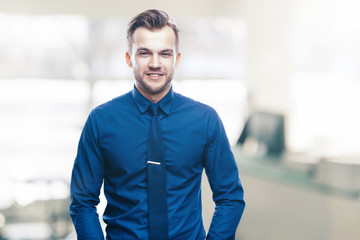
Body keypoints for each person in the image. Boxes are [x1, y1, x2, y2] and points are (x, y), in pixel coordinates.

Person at [70, 9, 245, 240]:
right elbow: (82, 202)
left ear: (177, 59)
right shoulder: (101, 121)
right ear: (129, 58)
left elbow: (230, 197)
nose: (155, 63)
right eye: (144, 53)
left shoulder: (205, 120)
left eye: (165, 54)